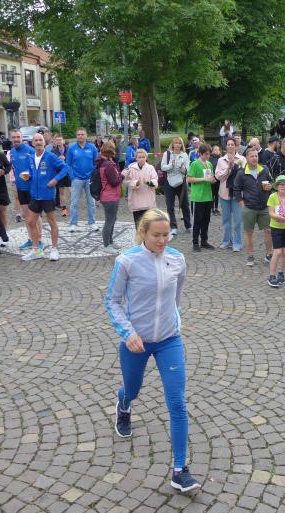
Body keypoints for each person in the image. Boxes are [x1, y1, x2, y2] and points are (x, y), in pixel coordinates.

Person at [105, 208, 201, 493]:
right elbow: (112, 301)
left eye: (166, 234)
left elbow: (176, 297)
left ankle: (180, 470)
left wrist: (175, 320)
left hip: (169, 340)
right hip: (137, 342)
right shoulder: (127, 261)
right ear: (143, 233)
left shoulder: (177, 259)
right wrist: (128, 333)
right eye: (156, 235)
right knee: (133, 390)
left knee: (177, 402)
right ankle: (124, 404)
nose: (162, 241)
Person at [22, 133, 66, 262]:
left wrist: (55, 179)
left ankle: (54, 249)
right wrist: (27, 176)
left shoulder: (50, 156)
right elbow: (31, 173)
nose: (38, 142)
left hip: (47, 195)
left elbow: (65, 168)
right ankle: (36, 251)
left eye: (40, 140)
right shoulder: (31, 157)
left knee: (52, 222)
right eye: (36, 140)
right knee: (31, 222)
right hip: (35, 195)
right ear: (32, 143)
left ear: (44, 142)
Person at [233, 147, 273, 267]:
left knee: (269, 230)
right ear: (247, 158)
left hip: (264, 206)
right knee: (249, 232)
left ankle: (269, 254)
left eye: (256, 156)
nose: (254, 158)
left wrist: (270, 187)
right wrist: (242, 203)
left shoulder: (264, 169)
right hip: (249, 207)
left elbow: (271, 182)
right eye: (252, 156)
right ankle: (250, 255)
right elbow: (236, 189)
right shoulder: (241, 173)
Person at [215, 138, 245, 251]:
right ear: (226, 147)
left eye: (233, 144)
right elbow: (218, 176)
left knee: (237, 220)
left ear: (236, 146)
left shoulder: (242, 159)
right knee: (226, 220)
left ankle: (237, 243)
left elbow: (245, 176)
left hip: (237, 195)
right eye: (228, 144)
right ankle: (227, 241)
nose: (231, 146)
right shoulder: (221, 160)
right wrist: (228, 168)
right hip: (224, 193)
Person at [266, 175, 285, 287]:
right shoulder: (272, 197)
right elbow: (271, 212)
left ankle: (281, 273)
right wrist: (278, 217)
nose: (282, 186)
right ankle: (271, 276)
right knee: (277, 252)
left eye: (284, 184)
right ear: (277, 186)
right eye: (280, 184)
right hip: (276, 227)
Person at [66, 128, 99, 230]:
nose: (80, 136)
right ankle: (73, 223)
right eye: (79, 134)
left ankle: (92, 222)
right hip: (77, 179)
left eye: (82, 134)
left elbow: (97, 162)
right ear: (76, 136)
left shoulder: (92, 147)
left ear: (86, 135)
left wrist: (93, 175)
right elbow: (68, 164)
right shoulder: (72, 148)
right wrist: (72, 176)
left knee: (91, 202)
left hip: (90, 179)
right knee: (74, 202)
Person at [187, 143, 216, 252]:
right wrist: (203, 179)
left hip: (208, 196)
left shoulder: (209, 164)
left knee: (206, 220)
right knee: (197, 221)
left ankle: (204, 241)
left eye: (209, 154)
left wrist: (212, 180)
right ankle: (195, 242)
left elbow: (210, 177)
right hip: (198, 197)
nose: (208, 156)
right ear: (201, 153)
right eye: (206, 154)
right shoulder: (195, 164)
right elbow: (189, 179)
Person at [161, 137, 191, 238]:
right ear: (172, 144)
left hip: (181, 183)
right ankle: (173, 227)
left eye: (179, 143)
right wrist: (171, 165)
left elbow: (187, 171)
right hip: (169, 182)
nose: (177, 145)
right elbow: (163, 167)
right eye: (175, 143)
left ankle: (188, 225)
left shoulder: (184, 155)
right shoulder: (167, 154)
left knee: (185, 205)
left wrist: (182, 167)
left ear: (182, 145)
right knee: (170, 206)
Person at [9, 129, 37, 236]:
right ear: (11, 139)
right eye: (14, 137)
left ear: (22, 138)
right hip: (20, 188)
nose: (16, 139)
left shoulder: (30, 150)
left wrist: (30, 175)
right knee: (26, 215)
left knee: (35, 216)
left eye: (18, 137)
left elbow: (37, 168)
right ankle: (31, 238)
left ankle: (38, 239)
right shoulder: (12, 151)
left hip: (31, 188)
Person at [98, 143, 123, 250]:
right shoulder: (108, 165)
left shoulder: (105, 162)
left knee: (112, 219)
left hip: (109, 195)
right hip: (110, 196)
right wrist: (123, 175)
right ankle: (107, 244)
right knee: (109, 220)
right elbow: (114, 182)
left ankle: (110, 241)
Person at [124, 148, 158, 226]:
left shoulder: (150, 168)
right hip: (136, 201)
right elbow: (127, 181)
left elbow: (155, 179)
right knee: (138, 224)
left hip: (148, 200)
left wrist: (151, 183)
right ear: (136, 158)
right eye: (139, 157)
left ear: (146, 158)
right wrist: (136, 183)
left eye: (143, 157)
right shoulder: (131, 168)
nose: (141, 159)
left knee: (148, 225)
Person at [51, 135, 69, 217]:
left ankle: (74, 207)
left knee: (72, 191)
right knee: (61, 192)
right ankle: (64, 209)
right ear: (55, 141)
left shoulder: (68, 149)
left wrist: (65, 158)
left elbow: (73, 160)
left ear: (63, 141)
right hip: (59, 173)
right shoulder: (53, 151)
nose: (59, 141)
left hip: (68, 173)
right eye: (57, 140)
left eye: (60, 139)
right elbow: (52, 162)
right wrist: (58, 159)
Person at [210, 145, 222, 215]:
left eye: (218, 150)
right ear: (212, 151)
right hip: (212, 178)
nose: (217, 151)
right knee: (212, 193)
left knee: (217, 194)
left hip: (218, 179)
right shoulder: (210, 158)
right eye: (215, 150)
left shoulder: (221, 158)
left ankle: (216, 208)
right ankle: (212, 208)